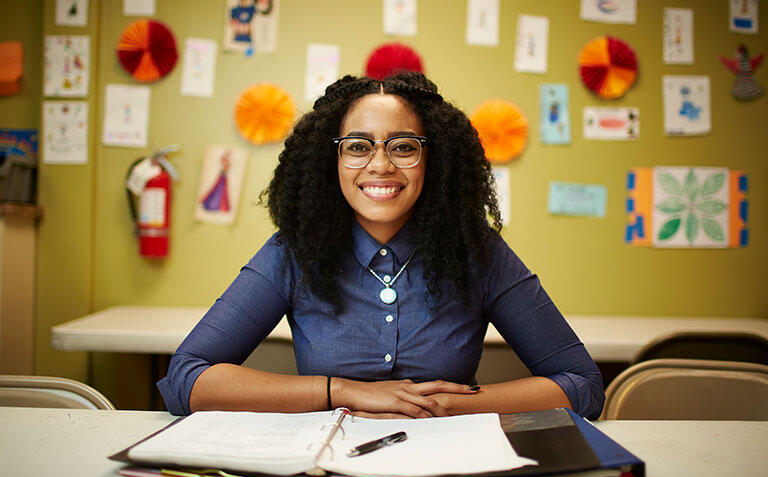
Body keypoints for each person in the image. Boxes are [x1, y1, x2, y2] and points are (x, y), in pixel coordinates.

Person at [158, 72, 604, 420]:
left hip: (448, 470)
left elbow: (582, 384)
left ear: (435, 159)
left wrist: (454, 404)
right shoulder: (293, 251)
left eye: (403, 146)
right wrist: (342, 391)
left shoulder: (478, 251)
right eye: (358, 146)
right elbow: (187, 378)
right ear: (330, 159)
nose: (380, 165)